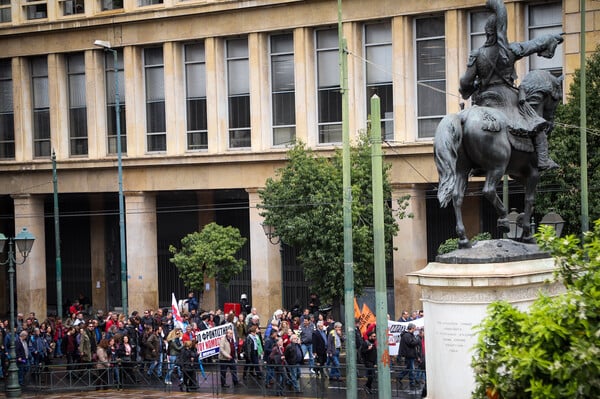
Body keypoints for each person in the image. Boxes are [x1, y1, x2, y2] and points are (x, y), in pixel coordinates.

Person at [459, 0, 563, 171]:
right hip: (508, 101)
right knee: (537, 123)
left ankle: (476, 162)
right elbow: (534, 45)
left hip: (484, 102)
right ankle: (543, 160)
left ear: (486, 32)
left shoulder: (476, 55)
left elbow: (465, 82)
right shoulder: (510, 51)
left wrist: (470, 88)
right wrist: (551, 38)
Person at [399, 323, 421, 388]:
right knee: (411, 369)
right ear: (411, 328)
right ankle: (412, 382)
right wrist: (418, 340)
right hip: (409, 354)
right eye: (414, 328)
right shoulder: (407, 335)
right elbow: (411, 343)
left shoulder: (409, 335)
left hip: (410, 354)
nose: (415, 329)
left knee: (409, 368)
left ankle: (400, 377)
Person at [361, 329, 378, 394]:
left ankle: (369, 387)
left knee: (372, 376)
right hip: (368, 361)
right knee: (371, 375)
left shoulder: (373, 343)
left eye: (375, 336)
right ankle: (367, 386)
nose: (374, 337)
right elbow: (362, 352)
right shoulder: (366, 343)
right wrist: (368, 349)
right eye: (373, 336)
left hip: (372, 361)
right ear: (370, 336)